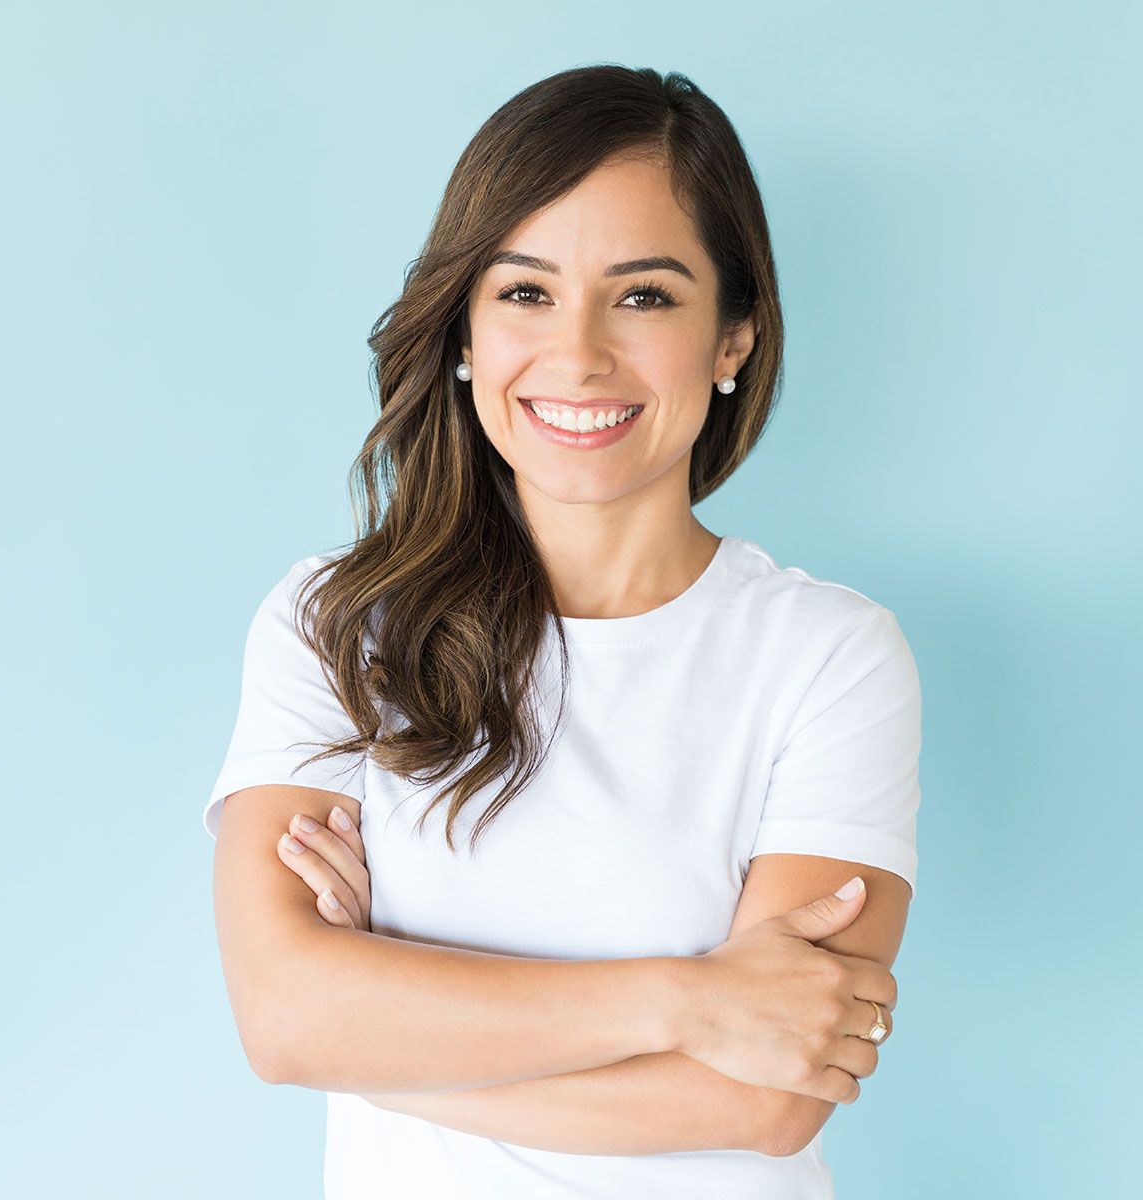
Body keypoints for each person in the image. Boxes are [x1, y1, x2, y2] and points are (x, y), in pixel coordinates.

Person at [203, 64, 920, 1199]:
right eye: (524, 293)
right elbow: (286, 1015)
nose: (579, 354)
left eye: (644, 296)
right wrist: (687, 1000)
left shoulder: (828, 656)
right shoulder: (338, 626)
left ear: (734, 337)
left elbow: (770, 1099)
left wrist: (385, 1039)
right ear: (464, 332)